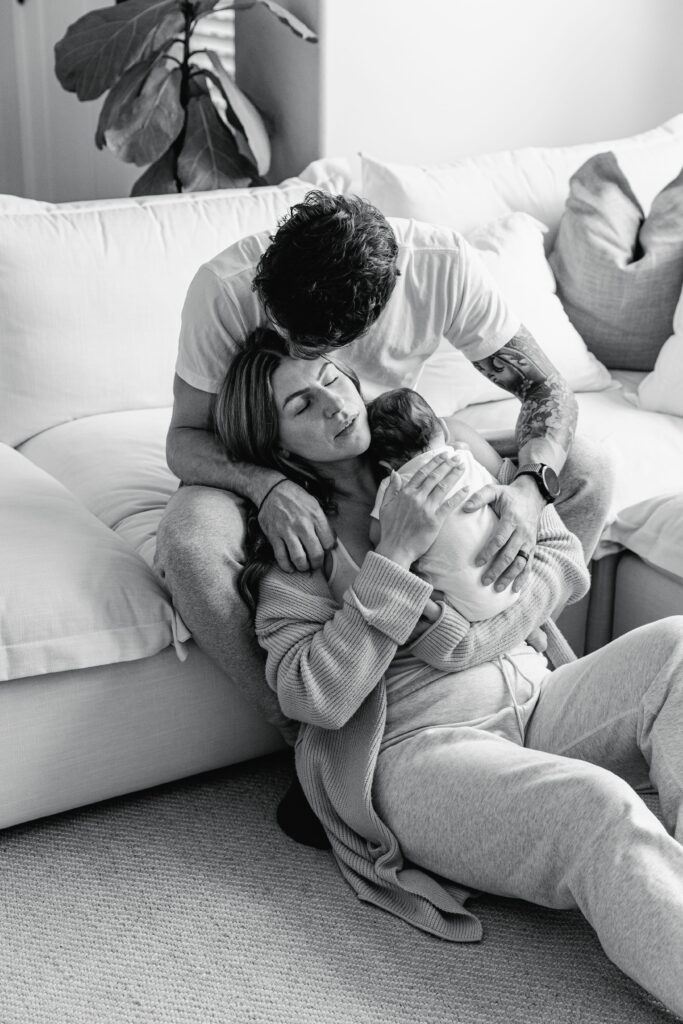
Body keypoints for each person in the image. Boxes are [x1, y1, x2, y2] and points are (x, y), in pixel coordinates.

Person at [213, 332, 683, 1018]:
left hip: (538, 694)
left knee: (676, 645)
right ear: (277, 444)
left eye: (332, 379)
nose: (335, 406)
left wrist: (487, 623)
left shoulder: (430, 451)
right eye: (302, 404)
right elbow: (315, 696)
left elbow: (557, 554)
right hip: (421, 753)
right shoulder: (296, 551)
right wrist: (394, 555)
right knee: (598, 807)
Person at [155, 191, 614, 751]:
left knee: (586, 466)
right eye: (281, 326)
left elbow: (547, 389)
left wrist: (527, 490)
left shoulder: (442, 266)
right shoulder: (225, 288)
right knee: (187, 541)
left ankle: (514, 631)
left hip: (392, 431)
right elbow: (184, 440)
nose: (293, 346)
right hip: (267, 454)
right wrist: (267, 485)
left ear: (373, 315)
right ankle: (304, 741)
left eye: (318, 351)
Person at [366, 386, 521, 621]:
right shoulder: (466, 459)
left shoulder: (393, 486)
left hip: (460, 608)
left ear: (386, 465)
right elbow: (500, 496)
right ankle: (532, 629)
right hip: (513, 581)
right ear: (445, 431)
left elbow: (377, 536)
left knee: (422, 583)